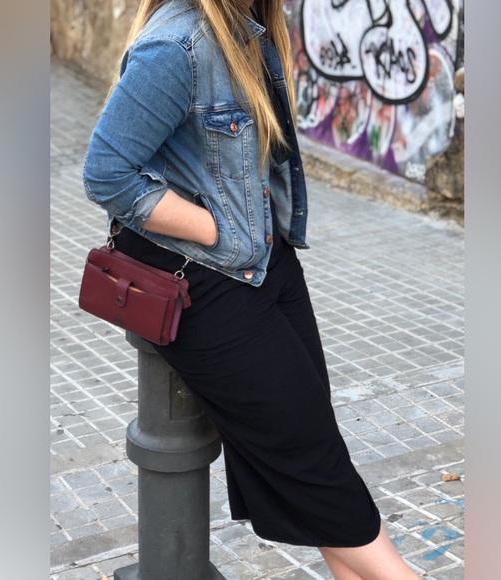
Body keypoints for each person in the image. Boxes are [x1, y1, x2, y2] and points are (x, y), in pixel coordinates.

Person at [83, 0, 420, 577]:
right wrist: (213, 228)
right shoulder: (178, 45)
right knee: (311, 462)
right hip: (203, 280)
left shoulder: (249, 25)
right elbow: (106, 173)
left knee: (317, 456)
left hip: (267, 261)